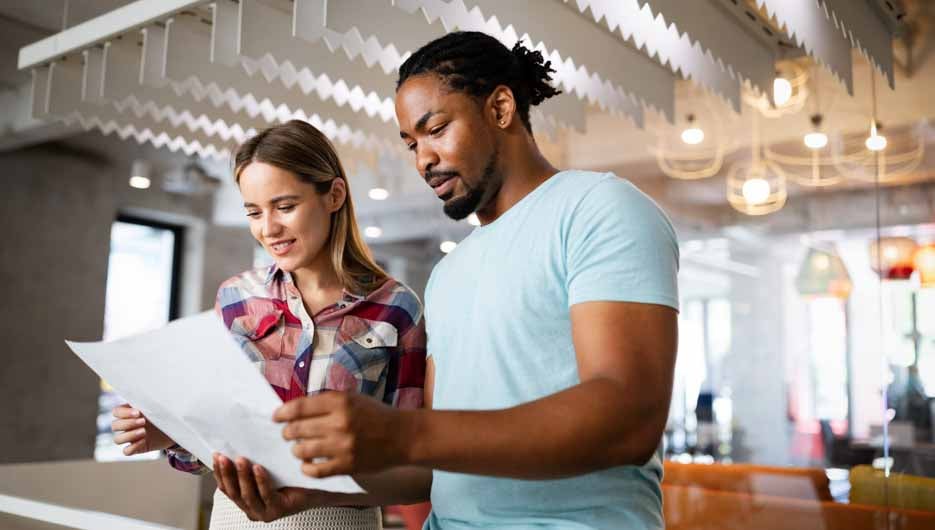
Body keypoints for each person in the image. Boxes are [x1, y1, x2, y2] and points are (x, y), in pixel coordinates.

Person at [272, 31, 680, 530]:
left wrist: (403, 432)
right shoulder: (447, 275)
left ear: (502, 108)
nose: (422, 159)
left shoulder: (599, 209)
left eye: (436, 129)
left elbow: (629, 417)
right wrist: (306, 493)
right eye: (411, 143)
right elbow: (433, 469)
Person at [110, 120, 429, 528]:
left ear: (333, 195)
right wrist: (166, 431)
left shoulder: (397, 308)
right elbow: (215, 436)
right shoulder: (236, 298)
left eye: (284, 206)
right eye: (254, 212)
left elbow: (412, 464)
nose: (268, 229)